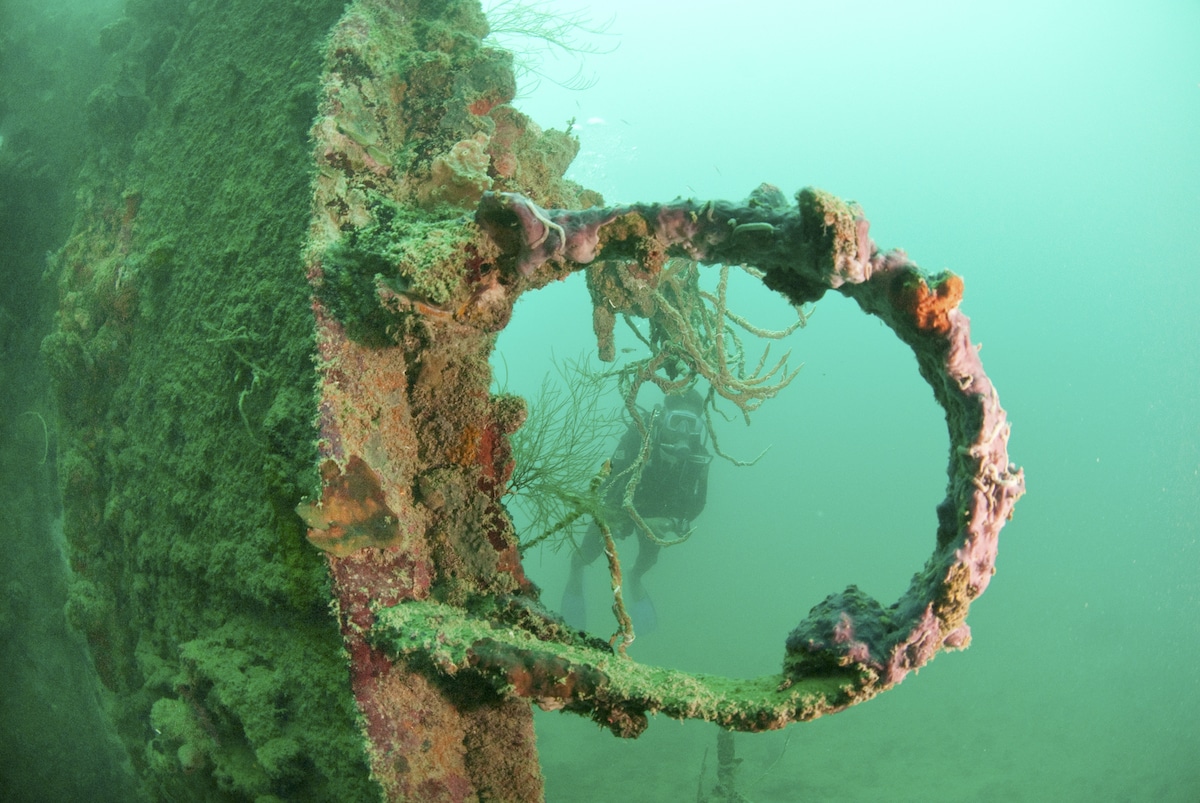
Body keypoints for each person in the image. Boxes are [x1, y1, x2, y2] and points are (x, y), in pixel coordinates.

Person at [561, 387, 712, 632]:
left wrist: (670, 523)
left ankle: (634, 578)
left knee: (646, 563)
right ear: (664, 417)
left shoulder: (698, 457)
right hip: (618, 509)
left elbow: (697, 504)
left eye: (690, 424)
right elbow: (609, 480)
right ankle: (575, 577)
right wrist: (618, 515)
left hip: (658, 517)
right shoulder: (637, 437)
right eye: (677, 421)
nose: (683, 432)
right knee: (583, 557)